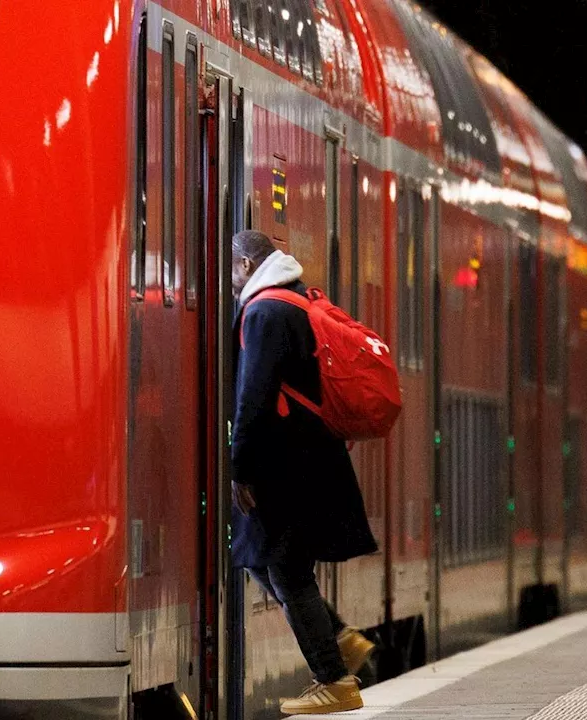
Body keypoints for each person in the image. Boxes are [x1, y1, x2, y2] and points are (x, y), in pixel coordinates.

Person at [230, 230, 379, 715]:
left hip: (286, 463)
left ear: (248, 264)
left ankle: (334, 680)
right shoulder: (294, 301)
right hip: (308, 457)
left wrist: (240, 468)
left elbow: (253, 395)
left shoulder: (264, 312)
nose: (231, 283)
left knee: (286, 569)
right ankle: (339, 640)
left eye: (233, 270)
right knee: (257, 557)